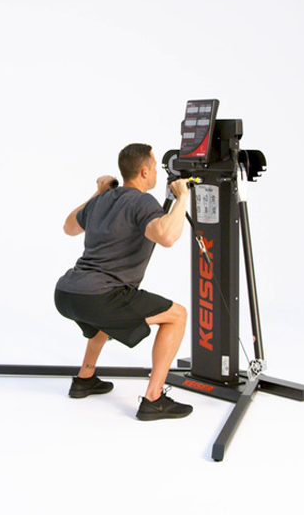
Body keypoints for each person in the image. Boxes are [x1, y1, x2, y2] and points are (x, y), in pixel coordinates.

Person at [54, 143, 193, 421]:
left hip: (67, 293)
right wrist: (182, 198)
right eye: (154, 168)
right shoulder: (143, 202)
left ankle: (85, 379)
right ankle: (154, 399)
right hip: (100, 296)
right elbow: (166, 236)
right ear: (144, 172)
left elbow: (69, 227)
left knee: (101, 325)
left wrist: (98, 192)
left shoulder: (102, 199)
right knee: (177, 316)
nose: (156, 173)